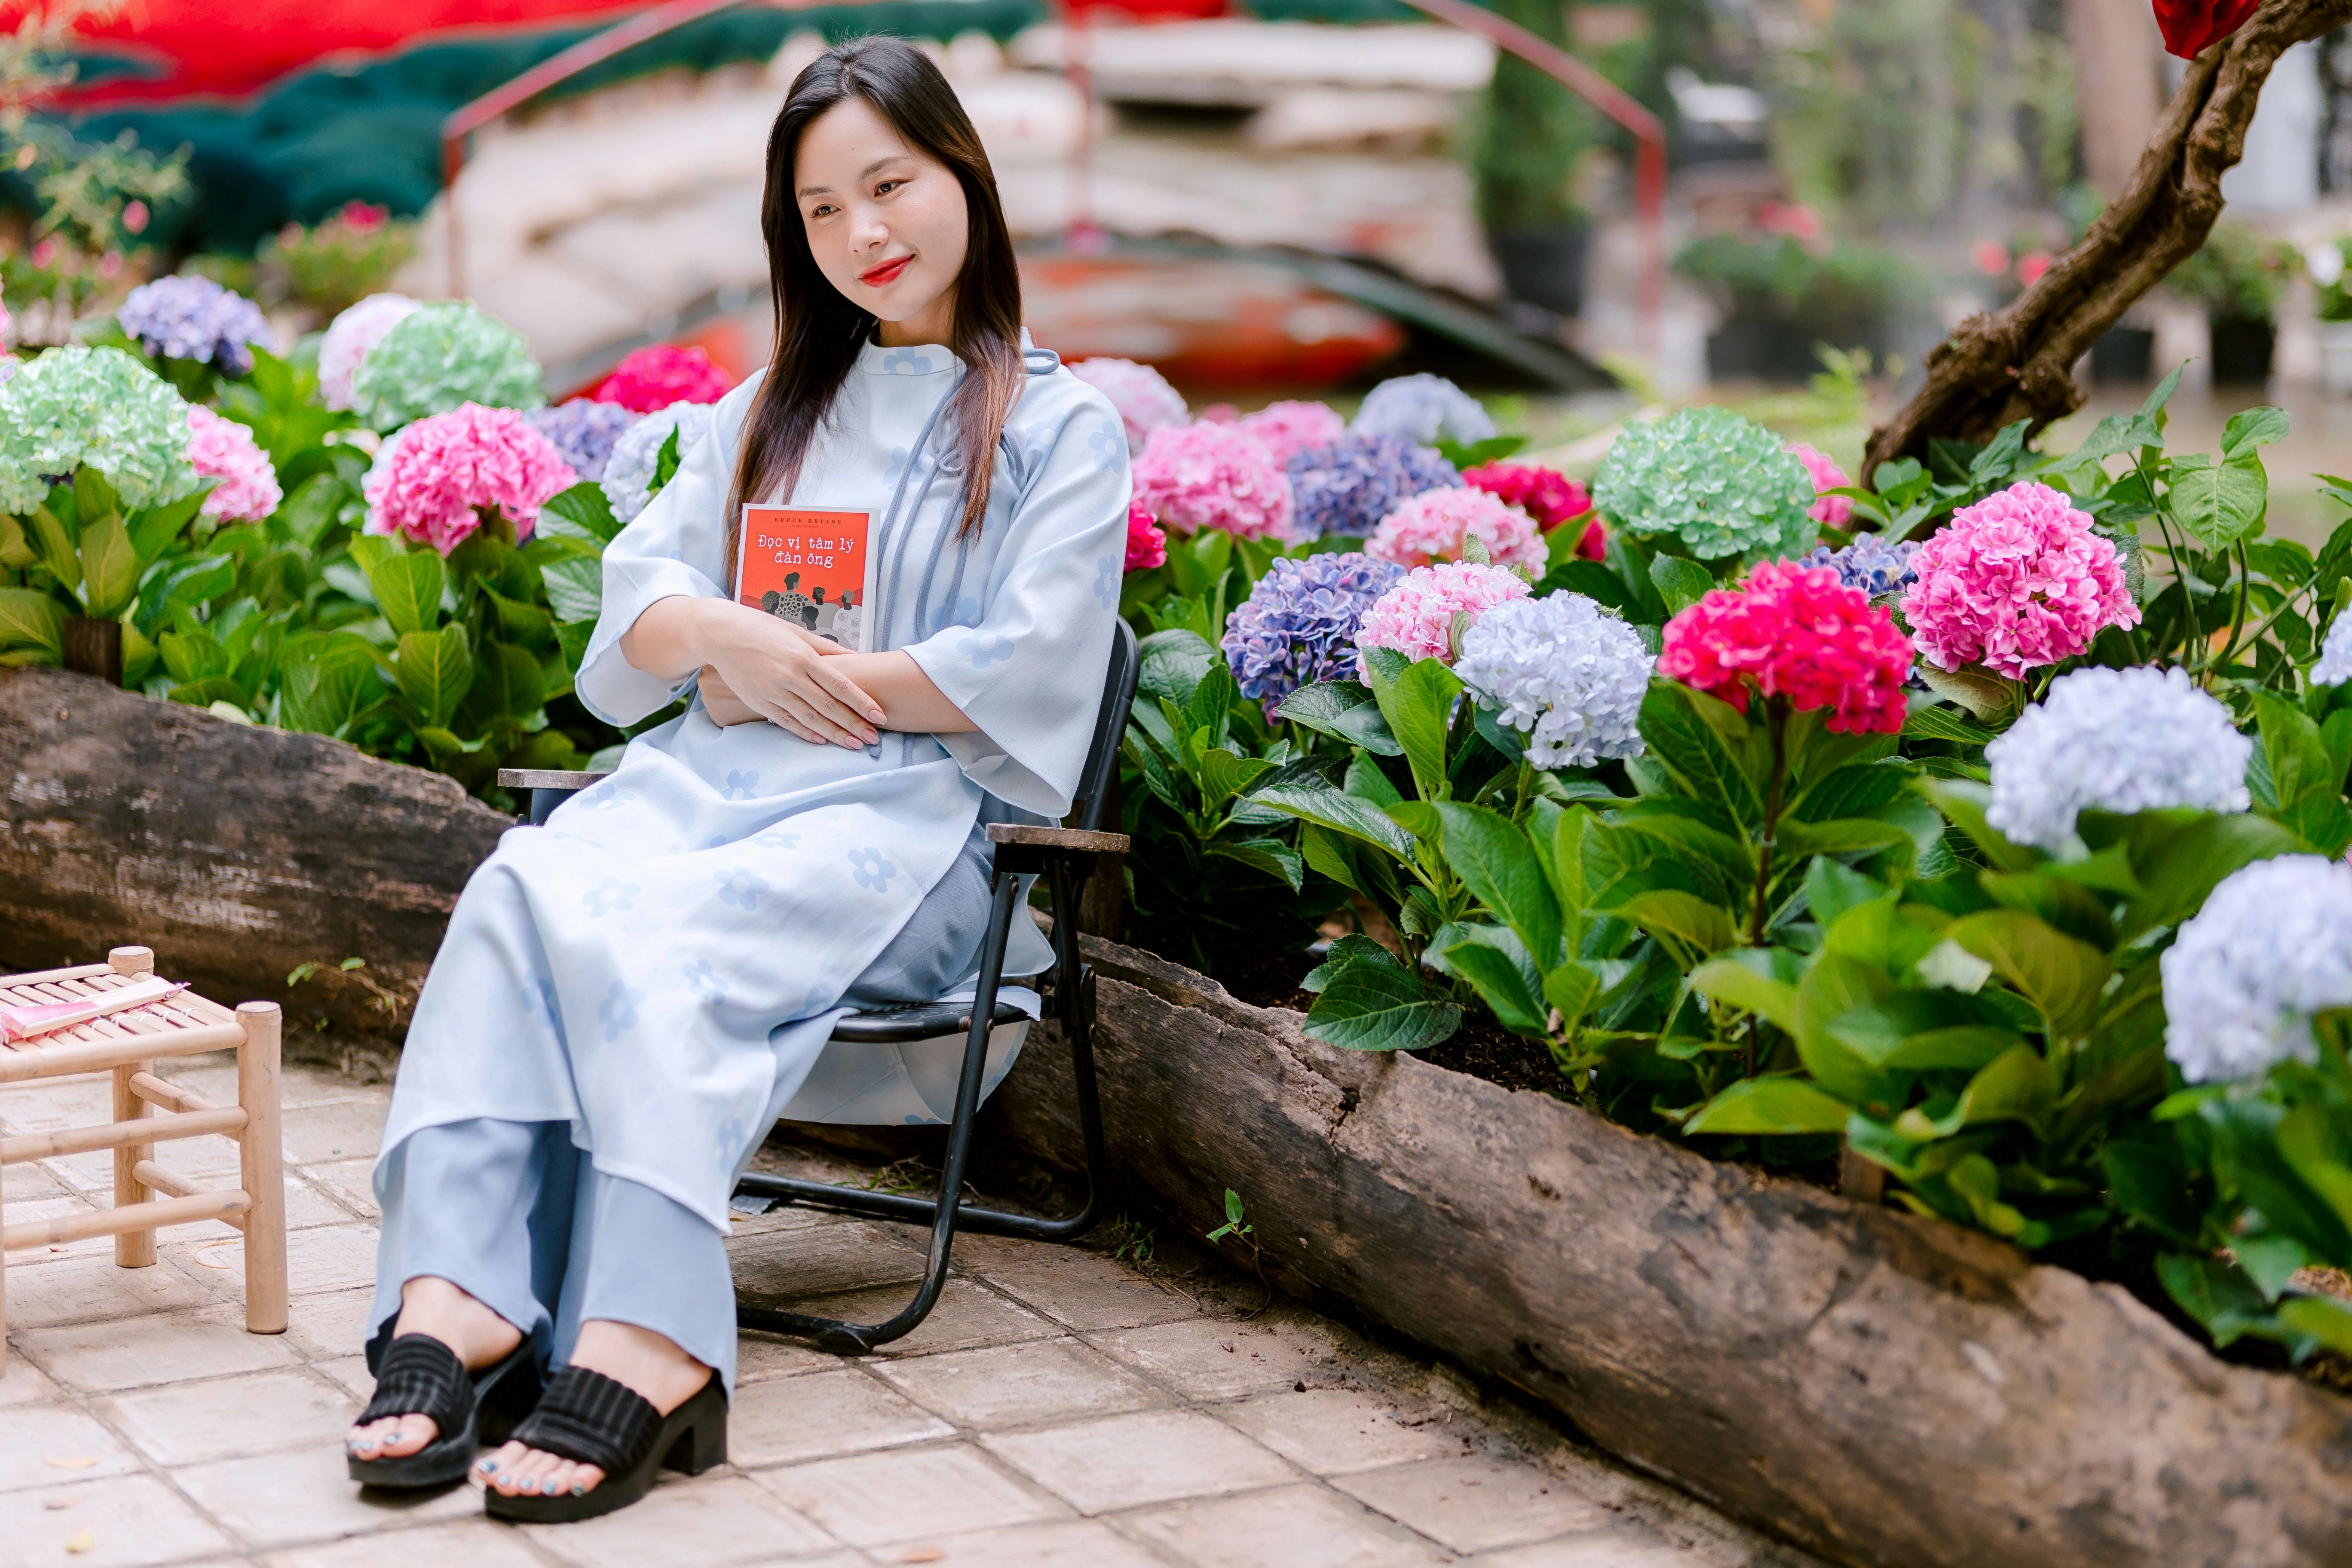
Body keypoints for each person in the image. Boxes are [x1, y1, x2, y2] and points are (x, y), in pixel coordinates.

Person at [342, 36, 1128, 1524]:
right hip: (708, 786)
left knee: (672, 935)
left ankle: (649, 1340)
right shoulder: (767, 407)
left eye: (889, 187)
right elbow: (638, 609)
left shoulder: (1056, 429)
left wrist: (789, 676)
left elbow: (1029, 665)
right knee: (525, 882)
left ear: (965, 171)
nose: (864, 236)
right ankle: (459, 1300)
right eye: (821, 212)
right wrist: (717, 637)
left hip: (909, 833)